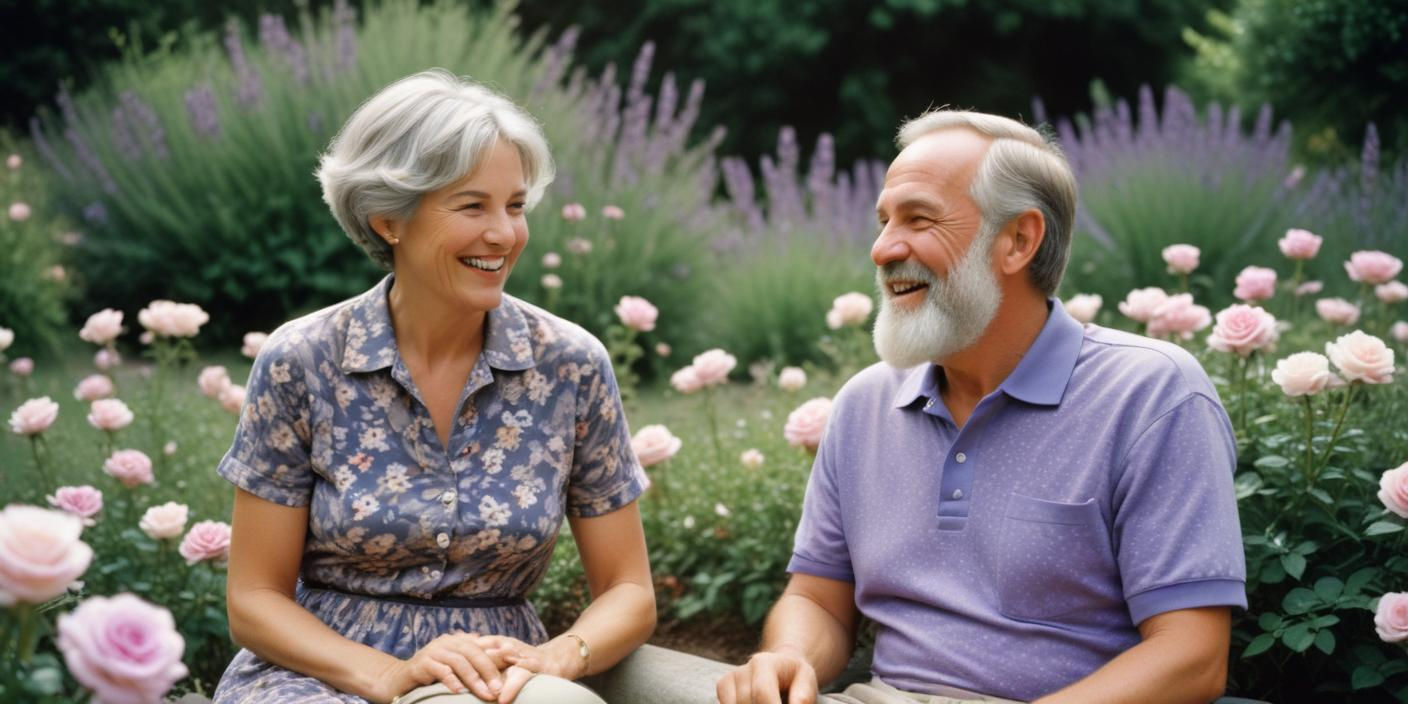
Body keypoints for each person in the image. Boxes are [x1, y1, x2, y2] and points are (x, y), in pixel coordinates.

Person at [718, 110, 1246, 704]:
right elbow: (818, 599)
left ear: (1018, 240)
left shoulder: (1152, 394)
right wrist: (788, 659)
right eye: (884, 221)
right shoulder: (866, 403)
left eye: (919, 219)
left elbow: (1193, 656)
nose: (883, 248)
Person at [214, 69, 654, 704]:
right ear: (388, 218)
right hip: (317, 675)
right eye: (472, 206)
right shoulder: (302, 361)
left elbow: (629, 591)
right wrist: (388, 675)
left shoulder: (571, 365)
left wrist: (558, 657)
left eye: (515, 205)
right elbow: (253, 600)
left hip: (498, 680)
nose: (503, 234)